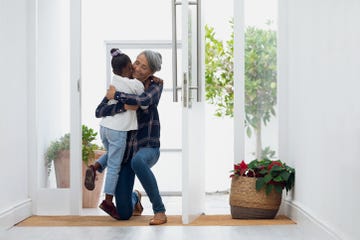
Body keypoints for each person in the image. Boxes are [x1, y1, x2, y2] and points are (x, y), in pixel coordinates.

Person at [95, 50, 167, 225]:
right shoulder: (122, 84)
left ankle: (160, 211)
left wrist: (117, 96)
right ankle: (135, 197)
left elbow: (143, 100)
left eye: (144, 67)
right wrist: (123, 106)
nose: (138, 68)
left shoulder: (155, 85)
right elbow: (99, 111)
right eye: (137, 62)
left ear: (152, 72)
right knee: (123, 213)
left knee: (138, 162)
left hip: (148, 147)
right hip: (127, 154)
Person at [84, 48, 146, 219]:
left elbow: (101, 110)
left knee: (112, 155)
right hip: (119, 131)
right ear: (128, 68)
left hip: (104, 127)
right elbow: (143, 97)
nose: (134, 69)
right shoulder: (135, 85)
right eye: (132, 67)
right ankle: (108, 201)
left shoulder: (113, 83)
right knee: (114, 167)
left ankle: (94, 167)